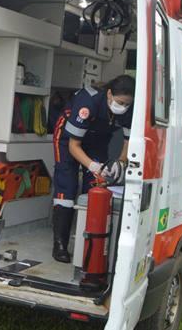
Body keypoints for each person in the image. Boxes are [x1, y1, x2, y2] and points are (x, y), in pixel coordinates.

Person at [51, 75, 135, 264]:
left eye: (126, 104)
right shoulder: (88, 102)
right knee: (67, 185)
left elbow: (127, 143)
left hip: (97, 139)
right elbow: (74, 146)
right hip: (68, 138)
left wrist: (120, 163)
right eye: (120, 102)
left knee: (95, 186)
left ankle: (87, 244)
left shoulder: (129, 109)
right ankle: (60, 245)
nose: (123, 107)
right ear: (109, 93)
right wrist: (92, 165)